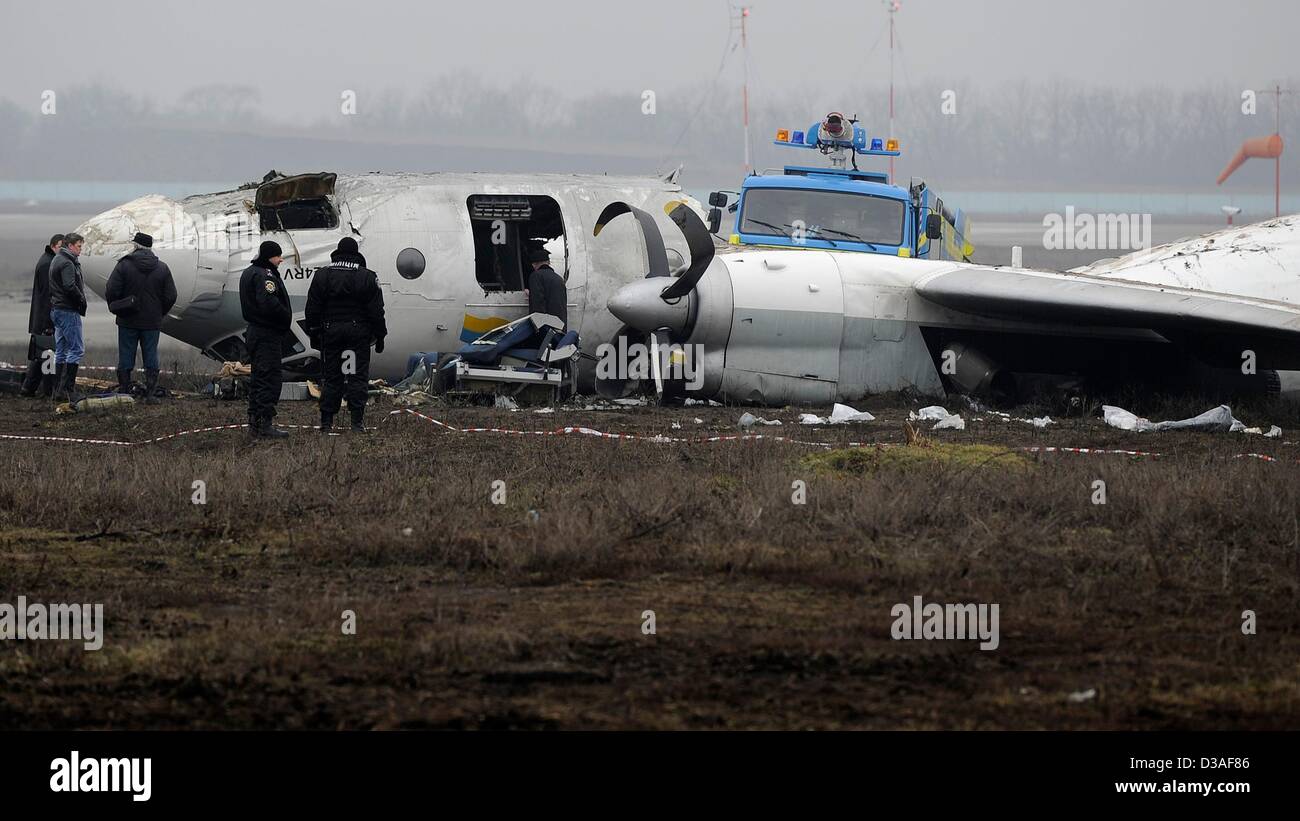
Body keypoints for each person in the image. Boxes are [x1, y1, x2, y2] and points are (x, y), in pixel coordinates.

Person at [304, 237, 386, 433]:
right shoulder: (367, 276)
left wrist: (314, 333)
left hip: (330, 331)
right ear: (356, 254)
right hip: (358, 334)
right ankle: (356, 422)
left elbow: (312, 308)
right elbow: (376, 310)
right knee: (357, 377)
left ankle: (326, 422)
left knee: (331, 377)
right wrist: (380, 335)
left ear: (337, 253)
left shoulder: (322, 275)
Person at [105, 232, 177, 404]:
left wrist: (119, 306)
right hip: (152, 321)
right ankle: (151, 394)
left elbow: (111, 290)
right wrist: (160, 312)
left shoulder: (123, 266)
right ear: (150, 247)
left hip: (127, 320)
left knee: (126, 356)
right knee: (151, 356)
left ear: (136, 246)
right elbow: (171, 295)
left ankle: (123, 393)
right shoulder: (162, 268)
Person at [239, 241, 292, 438]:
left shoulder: (249, 272)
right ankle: (264, 424)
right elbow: (269, 303)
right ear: (270, 256)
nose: (281, 259)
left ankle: (255, 422)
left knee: (258, 378)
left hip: (255, 332)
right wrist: (285, 316)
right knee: (269, 378)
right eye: (278, 256)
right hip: (266, 333)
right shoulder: (265, 275)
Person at [20, 234, 62, 397]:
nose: (62, 249)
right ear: (53, 246)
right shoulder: (48, 265)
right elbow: (47, 296)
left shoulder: (48, 260)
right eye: (60, 246)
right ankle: (48, 390)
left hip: (42, 318)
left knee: (41, 355)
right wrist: (49, 322)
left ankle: (28, 388)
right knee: (47, 354)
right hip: (45, 318)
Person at [48, 231, 87, 404]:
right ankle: (69, 390)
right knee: (76, 349)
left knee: (62, 350)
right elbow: (69, 286)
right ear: (70, 246)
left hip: (57, 310)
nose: (80, 249)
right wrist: (80, 300)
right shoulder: (67, 263)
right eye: (79, 246)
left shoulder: (57, 259)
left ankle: (58, 390)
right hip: (68, 311)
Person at [524, 247, 567, 329]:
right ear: (548, 262)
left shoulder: (536, 276)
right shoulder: (558, 278)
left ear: (534, 264)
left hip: (546, 326)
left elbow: (537, 302)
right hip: (560, 325)